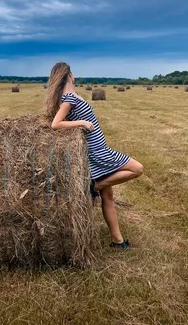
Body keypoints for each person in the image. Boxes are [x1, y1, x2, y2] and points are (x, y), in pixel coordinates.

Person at [45, 62, 144, 249]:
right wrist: (81, 122)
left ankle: (118, 241)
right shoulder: (69, 98)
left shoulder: (70, 97)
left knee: (108, 197)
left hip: (96, 150)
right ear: (70, 75)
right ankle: (93, 185)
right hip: (99, 152)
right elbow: (56, 124)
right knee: (137, 168)